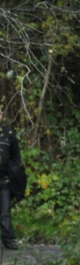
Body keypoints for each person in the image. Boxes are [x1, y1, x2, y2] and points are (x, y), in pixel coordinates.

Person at [0, 107, 22, 250]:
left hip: (4, 180)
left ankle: (8, 239)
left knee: (5, 211)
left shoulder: (9, 134)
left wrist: (13, 172)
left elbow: (16, 157)